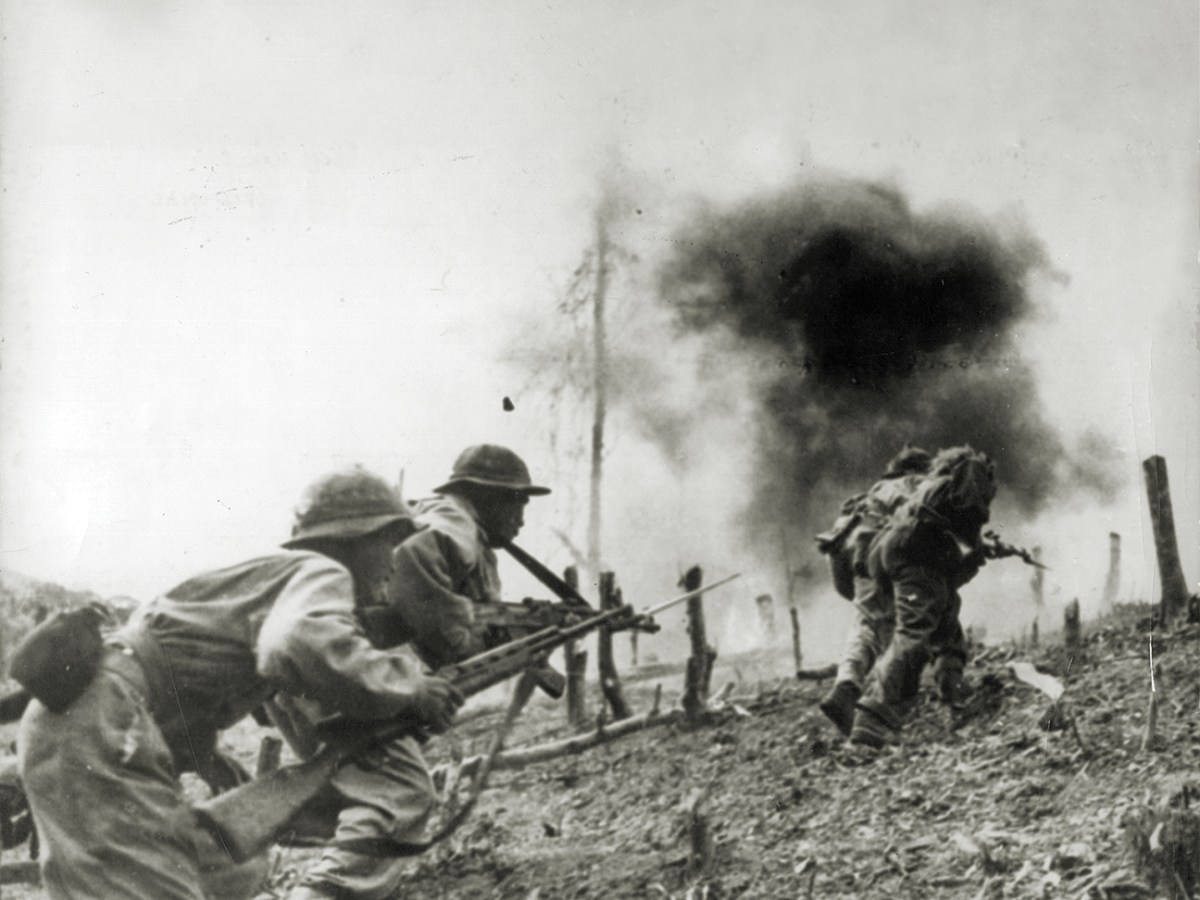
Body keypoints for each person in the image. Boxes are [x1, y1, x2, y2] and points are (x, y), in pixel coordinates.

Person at [17, 467, 463, 900]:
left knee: (210, 868)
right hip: (101, 724)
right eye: (391, 542)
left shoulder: (268, 578)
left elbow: (178, 661)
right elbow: (296, 644)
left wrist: (203, 751)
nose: (392, 565)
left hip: (80, 718)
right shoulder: (321, 571)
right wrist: (413, 688)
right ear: (356, 537)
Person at [277, 444, 551, 900]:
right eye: (515, 499)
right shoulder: (454, 521)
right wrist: (453, 639)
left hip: (326, 673)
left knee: (356, 790)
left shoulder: (469, 538)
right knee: (404, 793)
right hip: (338, 669)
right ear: (484, 496)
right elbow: (416, 561)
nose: (522, 513)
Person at [848, 446, 996, 748]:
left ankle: (953, 690)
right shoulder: (969, 473)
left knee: (946, 614)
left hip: (899, 550)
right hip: (914, 554)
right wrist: (978, 549)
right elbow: (966, 523)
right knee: (913, 632)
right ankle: (873, 716)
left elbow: (952, 561)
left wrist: (978, 551)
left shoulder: (931, 489)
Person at [816, 446, 933, 735]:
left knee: (867, 627)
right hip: (892, 560)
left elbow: (839, 568)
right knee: (908, 629)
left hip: (857, 562)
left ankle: (846, 686)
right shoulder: (913, 485)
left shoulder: (864, 500)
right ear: (916, 471)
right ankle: (882, 705)